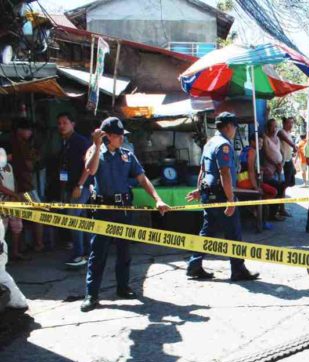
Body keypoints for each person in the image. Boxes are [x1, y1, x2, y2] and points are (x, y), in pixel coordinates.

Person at [80, 117, 171, 312]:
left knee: (124, 252)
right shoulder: (94, 151)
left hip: (123, 209)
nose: (122, 139)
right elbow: (90, 169)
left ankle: (123, 287)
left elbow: (141, 177)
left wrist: (157, 198)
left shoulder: (127, 155)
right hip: (103, 210)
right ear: (108, 136)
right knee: (98, 253)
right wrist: (96, 145)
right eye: (119, 136)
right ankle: (91, 294)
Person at [185, 112, 260, 282]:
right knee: (234, 233)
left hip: (208, 193)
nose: (235, 130)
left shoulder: (209, 143)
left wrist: (199, 190)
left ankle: (194, 265)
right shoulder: (224, 145)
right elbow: (224, 173)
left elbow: (203, 170)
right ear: (228, 126)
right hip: (221, 195)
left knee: (207, 231)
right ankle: (238, 270)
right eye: (234, 126)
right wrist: (231, 200)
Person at [56, 112, 93, 267]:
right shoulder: (66, 142)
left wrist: (80, 185)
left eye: (65, 122)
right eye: (59, 123)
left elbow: (89, 166)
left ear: (73, 124)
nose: (62, 126)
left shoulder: (80, 141)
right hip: (72, 186)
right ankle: (89, 253)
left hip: (81, 186)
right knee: (82, 219)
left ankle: (79, 255)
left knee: (73, 219)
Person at [9, 118, 43, 252]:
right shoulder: (21, 145)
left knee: (16, 220)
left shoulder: (13, 143)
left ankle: (18, 249)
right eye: (28, 130)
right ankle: (39, 244)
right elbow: (29, 166)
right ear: (20, 131)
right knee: (40, 213)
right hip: (25, 187)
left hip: (14, 187)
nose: (30, 132)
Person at [237, 135, 277, 230]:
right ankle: (258, 216)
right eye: (258, 142)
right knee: (272, 192)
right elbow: (250, 170)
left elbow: (247, 167)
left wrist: (263, 168)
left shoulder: (245, 150)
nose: (261, 144)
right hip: (246, 183)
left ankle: (255, 210)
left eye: (262, 142)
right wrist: (255, 187)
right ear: (252, 142)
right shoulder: (252, 152)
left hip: (241, 181)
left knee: (266, 194)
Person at [0, 148, 24, 260]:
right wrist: (15, 195)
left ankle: (15, 252)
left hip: (13, 201)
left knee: (17, 227)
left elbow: (14, 182)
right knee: (2, 229)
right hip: (2, 202)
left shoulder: (9, 167)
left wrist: (16, 195)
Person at [261, 119, 287, 221]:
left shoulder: (277, 138)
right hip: (270, 170)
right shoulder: (265, 138)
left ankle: (275, 212)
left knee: (281, 188)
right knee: (276, 189)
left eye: (276, 126)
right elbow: (267, 154)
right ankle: (272, 214)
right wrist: (276, 164)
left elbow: (282, 152)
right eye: (272, 126)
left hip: (279, 169)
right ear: (268, 127)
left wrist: (282, 163)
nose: (274, 128)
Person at [278, 117, 298, 216]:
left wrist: (293, 166)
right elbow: (286, 140)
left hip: (289, 161)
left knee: (287, 185)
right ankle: (281, 208)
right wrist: (294, 145)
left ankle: (282, 207)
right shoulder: (281, 132)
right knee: (283, 186)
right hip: (283, 163)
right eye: (289, 123)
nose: (291, 125)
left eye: (292, 123)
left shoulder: (289, 133)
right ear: (284, 123)